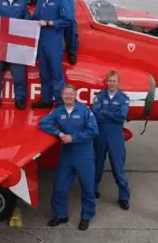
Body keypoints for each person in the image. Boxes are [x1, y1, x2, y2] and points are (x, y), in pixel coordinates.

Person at [39, 84, 99, 231]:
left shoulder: (85, 111)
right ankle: (61, 215)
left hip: (84, 155)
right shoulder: (58, 111)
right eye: (65, 94)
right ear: (62, 96)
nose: (68, 97)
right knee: (59, 186)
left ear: (75, 95)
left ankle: (86, 216)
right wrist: (58, 133)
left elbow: (94, 131)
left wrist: (74, 137)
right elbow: (43, 123)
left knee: (88, 188)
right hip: (67, 154)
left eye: (71, 94)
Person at [92, 71, 131, 210]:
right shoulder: (100, 96)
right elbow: (95, 113)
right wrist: (110, 114)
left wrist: (104, 112)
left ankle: (124, 197)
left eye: (114, 81)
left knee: (118, 166)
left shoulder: (123, 98)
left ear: (118, 83)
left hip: (115, 135)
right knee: (97, 164)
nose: (112, 83)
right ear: (106, 82)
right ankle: (93, 190)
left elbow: (121, 117)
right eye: (110, 81)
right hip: (100, 134)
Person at [31, 0, 70, 108]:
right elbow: (35, 17)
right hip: (41, 41)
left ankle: (60, 103)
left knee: (56, 73)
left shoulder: (61, 0)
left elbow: (67, 20)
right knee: (44, 72)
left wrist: (49, 23)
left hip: (54, 41)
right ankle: (46, 100)